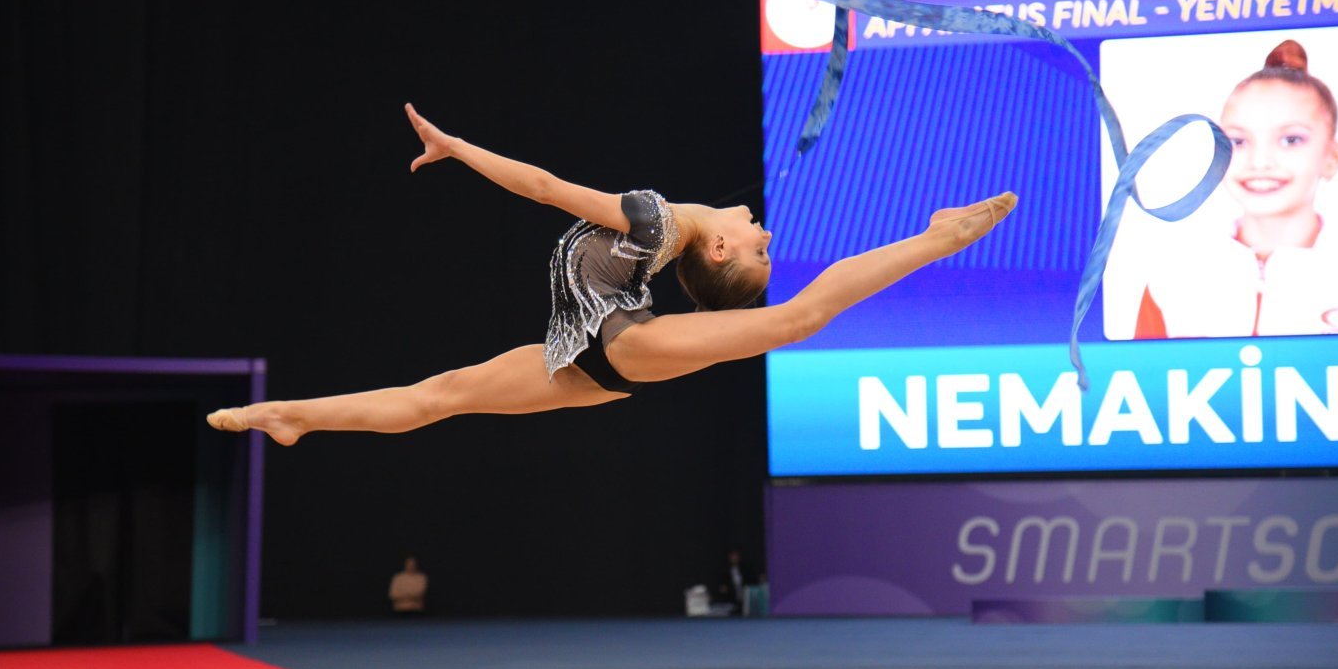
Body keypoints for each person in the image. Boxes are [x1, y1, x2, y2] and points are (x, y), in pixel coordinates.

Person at [206, 104, 1015, 443]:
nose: (760, 227)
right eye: (762, 236)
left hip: (618, 344)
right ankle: (293, 416)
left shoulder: (657, 220)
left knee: (793, 322)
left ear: (722, 252)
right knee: (436, 398)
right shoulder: (658, 239)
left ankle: (936, 242)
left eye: (758, 244)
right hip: (588, 361)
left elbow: (544, 188)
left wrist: (459, 150)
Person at [1135, 39, 1338, 338]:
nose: (1260, 161)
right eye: (1239, 141)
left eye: (1291, 140)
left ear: (1334, 157)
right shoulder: (1173, 280)